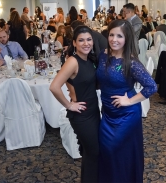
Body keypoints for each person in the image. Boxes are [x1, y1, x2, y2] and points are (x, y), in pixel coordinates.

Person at [96, 19, 157, 182]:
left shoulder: (131, 62)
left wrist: (129, 100)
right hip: (107, 113)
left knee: (112, 149)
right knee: (108, 152)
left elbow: (151, 87)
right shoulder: (103, 54)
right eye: (111, 35)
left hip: (126, 115)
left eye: (119, 36)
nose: (114, 39)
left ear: (127, 39)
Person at [50, 25, 100, 183]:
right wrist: (69, 105)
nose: (86, 43)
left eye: (89, 39)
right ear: (74, 43)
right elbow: (54, 87)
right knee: (94, 153)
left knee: (90, 153)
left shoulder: (89, 59)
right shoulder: (73, 61)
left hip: (93, 111)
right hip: (82, 115)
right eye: (81, 40)